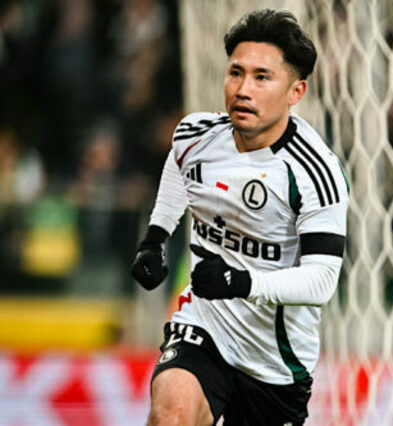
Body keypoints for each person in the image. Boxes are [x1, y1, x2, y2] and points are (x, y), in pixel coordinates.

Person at [130, 9, 349, 426]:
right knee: (170, 414)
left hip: (274, 364)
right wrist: (155, 238)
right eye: (236, 73)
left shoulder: (314, 172)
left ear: (296, 91)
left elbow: (322, 279)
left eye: (262, 77)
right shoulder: (196, 135)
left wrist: (240, 282)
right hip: (204, 328)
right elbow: (178, 166)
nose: (243, 89)